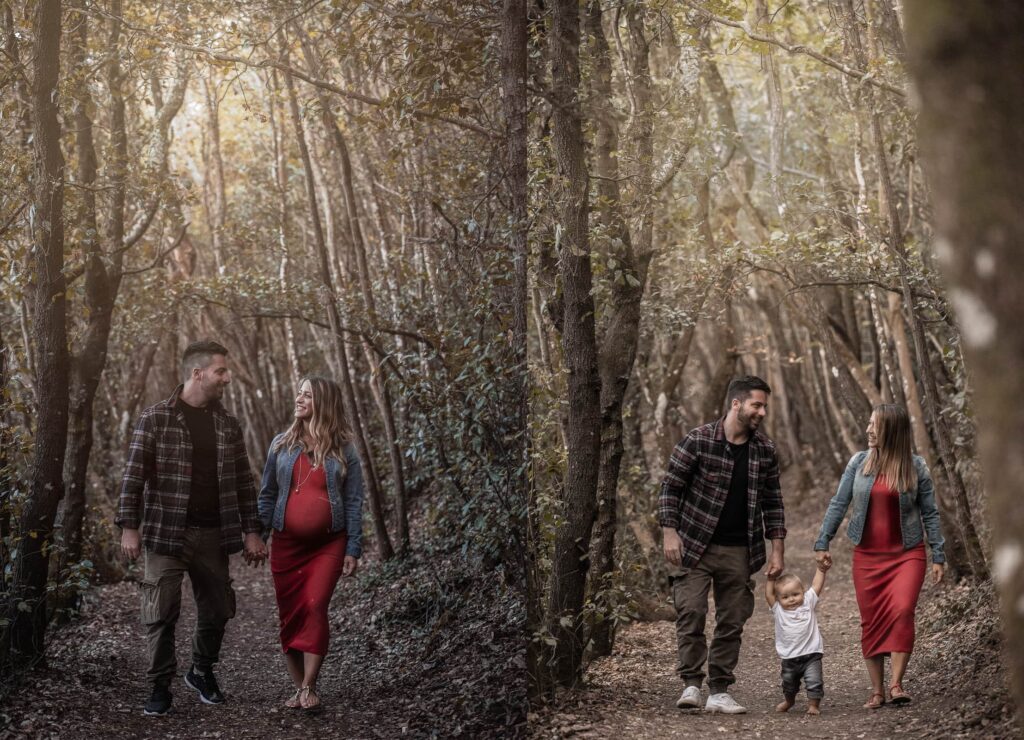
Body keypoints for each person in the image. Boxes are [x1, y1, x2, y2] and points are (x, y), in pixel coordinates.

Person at [117, 340, 268, 717]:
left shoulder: (227, 424)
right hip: (166, 533)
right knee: (161, 609)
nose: (227, 378)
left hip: (214, 532)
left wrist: (253, 531)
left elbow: (244, 482)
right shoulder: (156, 418)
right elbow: (132, 477)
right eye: (221, 371)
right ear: (197, 373)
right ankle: (159, 685)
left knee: (218, 608)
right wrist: (128, 527)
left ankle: (201, 669)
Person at [659, 375, 787, 715]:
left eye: (764, 406)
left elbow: (773, 503)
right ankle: (691, 684)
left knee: (732, 620)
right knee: (692, 611)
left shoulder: (765, 451)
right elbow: (670, 487)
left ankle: (719, 690)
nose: (762, 412)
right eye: (756, 405)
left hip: (740, 550)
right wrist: (669, 532)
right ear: (736, 403)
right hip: (694, 545)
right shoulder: (698, 441)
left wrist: (777, 550)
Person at [814, 404, 946, 709]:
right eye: (869, 423)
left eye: (875, 425)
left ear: (892, 430)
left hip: (907, 554)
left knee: (902, 610)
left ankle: (896, 683)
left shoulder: (916, 467)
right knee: (870, 620)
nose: (869, 430)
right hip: (867, 557)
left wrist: (938, 553)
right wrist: (823, 540)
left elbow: (930, 513)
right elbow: (838, 503)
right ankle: (877, 691)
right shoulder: (859, 463)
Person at [258, 376, 364, 712]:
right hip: (286, 545)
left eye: (308, 394)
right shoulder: (281, 445)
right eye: (299, 392)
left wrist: (353, 548)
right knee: (290, 615)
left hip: (328, 545)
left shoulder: (345, 450)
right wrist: (258, 537)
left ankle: (309, 685)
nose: (300, 398)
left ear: (325, 404)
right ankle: (299, 689)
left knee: (315, 606)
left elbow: (353, 502)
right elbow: (268, 495)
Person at [766, 561, 829, 716]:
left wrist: (821, 570)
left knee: (814, 682)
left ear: (803, 591)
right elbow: (769, 594)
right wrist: (770, 579)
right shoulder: (778, 609)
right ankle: (789, 700)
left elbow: (816, 586)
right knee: (788, 683)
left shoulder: (808, 602)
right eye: (785, 597)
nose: (792, 599)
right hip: (789, 657)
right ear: (779, 598)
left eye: (795, 594)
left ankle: (813, 705)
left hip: (811, 654)